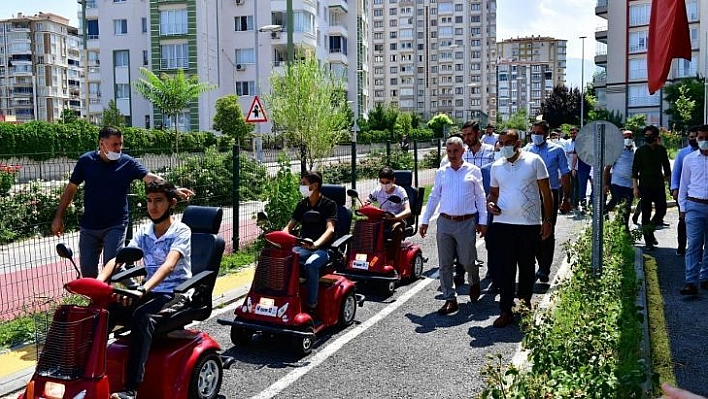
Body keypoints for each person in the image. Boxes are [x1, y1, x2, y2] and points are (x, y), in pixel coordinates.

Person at [52, 126, 193, 278]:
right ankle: (98, 301)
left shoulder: (127, 163)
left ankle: (128, 294)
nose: (119, 148)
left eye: (120, 144)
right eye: (115, 144)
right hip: (89, 226)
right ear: (102, 143)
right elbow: (70, 189)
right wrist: (58, 216)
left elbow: (150, 178)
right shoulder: (86, 161)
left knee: (113, 268)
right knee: (88, 273)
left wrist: (174, 189)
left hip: (116, 225)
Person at [97, 181, 192, 399]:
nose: (153, 207)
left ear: (172, 203)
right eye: (149, 201)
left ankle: (131, 388)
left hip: (175, 293)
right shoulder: (145, 231)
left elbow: (168, 265)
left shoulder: (181, 231)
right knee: (108, 310)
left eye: (159, 201)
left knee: (142, 315)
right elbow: (118, 258)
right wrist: (99, 282)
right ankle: (92, 371)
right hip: (150, 292)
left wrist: (144, 288)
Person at [487, 129, 553, 328]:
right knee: (504, 269)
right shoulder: (496, 166)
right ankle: (506, 310)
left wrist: (547, 220)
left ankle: (524, 304)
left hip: (529, 225)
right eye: (501, 142)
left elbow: (546, 193)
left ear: (518, 142)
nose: (504, 146)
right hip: (503, 224)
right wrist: (490, 205)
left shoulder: (534, 161)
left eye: (508, 142)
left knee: (526, 267)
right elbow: (493, 194)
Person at [420, 136, 488, 315]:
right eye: (449, 151)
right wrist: (425, 220)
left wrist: (482, 221)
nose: (452, 154)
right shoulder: (442, 172)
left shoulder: (473, 171)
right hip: (444, 222)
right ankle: (450, 298)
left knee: (467, 260)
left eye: (455, 151)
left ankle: (474, 281)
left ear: (463, 151)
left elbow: (481, 198)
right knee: (445, 263)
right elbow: (434, 196)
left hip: (466, 222)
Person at [283, 171, 337, 314]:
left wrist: (316, 244)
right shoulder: (302, 204)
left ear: (315, 185)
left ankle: (311, 304)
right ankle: (284, 297)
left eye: (304, 184)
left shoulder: (329, 204)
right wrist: (279, 238)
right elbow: (289, 227)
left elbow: (330, 229)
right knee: (285, 258)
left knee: (311, 264)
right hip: (303, 246)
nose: (301, 186)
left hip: (324, 249)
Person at [524, 120, 571, 283]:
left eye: (539, 133)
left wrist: (566, 198)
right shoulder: (526, 150)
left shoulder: (557, 150)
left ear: (546, 134)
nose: (536, 135)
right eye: (533, 132)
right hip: (531, 196)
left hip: (550, 195)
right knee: (532, 232)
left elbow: (565, 174)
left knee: (547, 230)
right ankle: (538, 262)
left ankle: (545, 268)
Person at [677, 124, 708, 295]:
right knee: (694, 244)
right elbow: (684, 185)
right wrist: (682, 207)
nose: (704, 141)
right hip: (694, 206)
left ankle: (705, 277)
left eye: (706, 138)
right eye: (701, 138)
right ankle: (691, 281)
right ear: (696, 139)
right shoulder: (689, 159)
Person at [632, 125, 672, 251]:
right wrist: (635, 188)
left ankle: (650, 229)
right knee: (646, 214)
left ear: (656, 137)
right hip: (644, 187)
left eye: (651, 135)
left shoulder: (661, 150)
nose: (648, 137)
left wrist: (666, 181)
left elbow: (667, 168)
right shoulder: (640, 151)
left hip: (659, 186)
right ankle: (648, 241)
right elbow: (634, 171)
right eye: (646, 135)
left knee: (662, 210)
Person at [366, 166, 412, 261]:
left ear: (393, 180)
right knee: (365, 226)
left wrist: (394, 218)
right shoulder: (378, 190)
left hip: (396, 219)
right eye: (382, 182)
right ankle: (368, 256)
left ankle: (392, 259)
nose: (385, 185)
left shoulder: (400, 191)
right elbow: (367, 202)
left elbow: (408, 211)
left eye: (387, 182)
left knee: (397, 229)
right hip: (382, 218)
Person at [671, 126, 699, 256]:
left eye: (695, 137)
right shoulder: (683, 154)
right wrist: (674, 189)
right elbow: (676, 173)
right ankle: (681, 246)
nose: (693, 139)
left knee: (699, 224)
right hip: (684, 193)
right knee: (683, 221)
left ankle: (698, 250)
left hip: (699, 196)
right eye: (691, 137)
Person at [603, 130, 636, 230]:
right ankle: (622, 228)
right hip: (617, 183)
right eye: (625, 137)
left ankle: (622, 226)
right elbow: (607, 168)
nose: (628, 139)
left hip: (630, 184)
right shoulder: (617, 151)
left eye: (630, 137)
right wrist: (606, 184)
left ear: (633, 138)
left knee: (627, 207)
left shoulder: (635, 151)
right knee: (622, 205)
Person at [563, 126, 579, 209]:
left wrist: (572, 152)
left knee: (577, 185)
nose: (573, 135)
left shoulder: (580, 142)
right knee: (570, 186)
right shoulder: (567, 142)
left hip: (578, 167)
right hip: (569, 166)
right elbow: (565, 153)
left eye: (574, 133)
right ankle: (571, 203)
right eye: (571, 133)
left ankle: (576, 203)